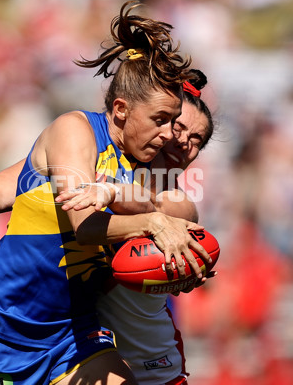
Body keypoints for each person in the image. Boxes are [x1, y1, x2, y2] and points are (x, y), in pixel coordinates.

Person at [0, 1, 211, 385]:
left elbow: (182, 208)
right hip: (3, 325)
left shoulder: (145, 168)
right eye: (160, 121)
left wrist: (179, 249)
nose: (169, 134)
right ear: (121, 110)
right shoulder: (74, 131)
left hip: (73, 332)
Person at [58, 69, 215, 385]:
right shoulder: (87, 156)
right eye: (178, 126)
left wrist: (112, 191)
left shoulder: (178, 202)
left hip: (157, 367)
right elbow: (5, 188)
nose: (183, 141)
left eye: (197, 139)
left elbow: (151, 203)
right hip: (84, 357)